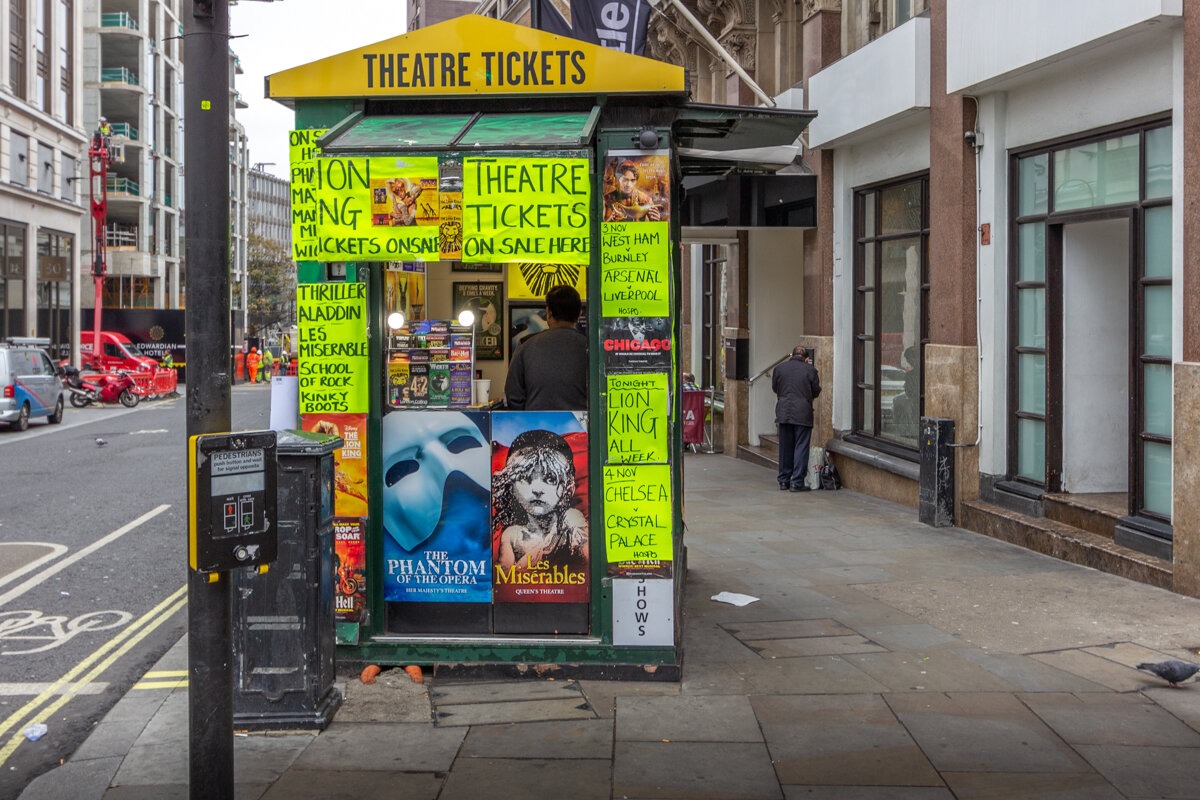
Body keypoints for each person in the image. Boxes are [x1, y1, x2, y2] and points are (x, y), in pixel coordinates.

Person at [494, 429, 588, 571]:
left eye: (550, 479)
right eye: (525, 478)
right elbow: (504, 578)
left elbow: (588, 561)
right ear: (510, 485)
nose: (537, 489)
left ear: (566, 487)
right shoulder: (512, 535)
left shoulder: (572, 519)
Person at [504, 285, 587, 410]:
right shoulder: (590, 348)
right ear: (579, 313)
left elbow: (513, 396)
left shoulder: (525, 345)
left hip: (535, 424)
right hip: (582, 426)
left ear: (548, 312)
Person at [772, 345, 822, 492]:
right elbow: (816, 391)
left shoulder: (779, 369)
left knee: (785, 446)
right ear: (806, 359)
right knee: (801, 446)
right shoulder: (810, 370)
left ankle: (783, 480)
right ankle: (797, 481)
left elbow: (775, 388)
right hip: (802, 412)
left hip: (783, 411)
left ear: (791, 355)